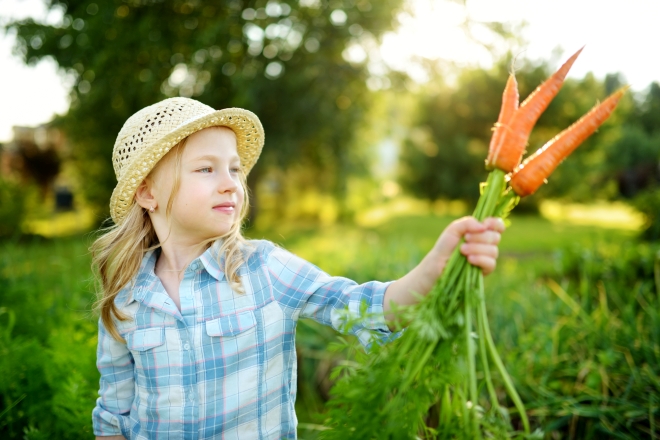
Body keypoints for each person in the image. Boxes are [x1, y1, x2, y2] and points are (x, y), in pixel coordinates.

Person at [91, 97, 505, 439]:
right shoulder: (126, 297)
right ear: (147, 192)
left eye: (234, 169)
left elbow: (365, 306)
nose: (231, 183)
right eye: (206, 169)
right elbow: (113, 412)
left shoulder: (262, 270)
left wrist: (437, 264)